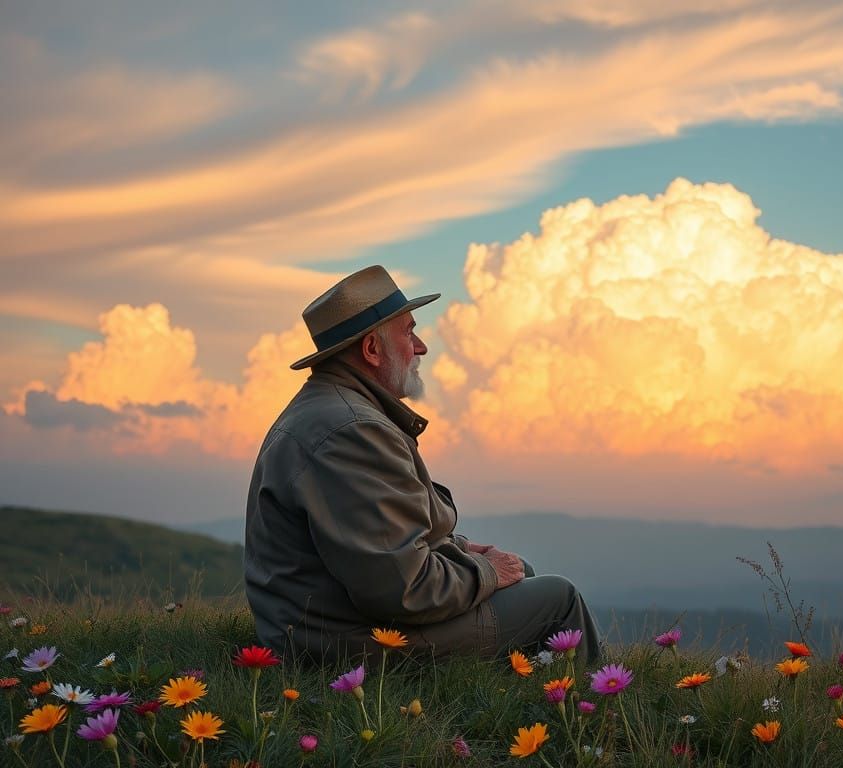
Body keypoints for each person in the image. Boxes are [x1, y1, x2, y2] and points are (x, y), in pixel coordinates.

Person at [244, 265, 600, 664]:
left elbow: (375, 542)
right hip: (343, 644)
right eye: (409, 331)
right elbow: (402, 591)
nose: (421, 346)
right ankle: (591, 717)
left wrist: (458, 549)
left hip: (321, 624)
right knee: (559, 600)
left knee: (523, 573)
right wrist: (484, 571)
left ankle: (503, 698)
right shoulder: (353, 431)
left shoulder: (327, 410)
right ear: (372, 350)